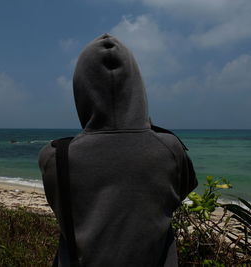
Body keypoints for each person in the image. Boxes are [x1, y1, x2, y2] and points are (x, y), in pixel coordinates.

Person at [38, 33, 198, 267]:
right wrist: (141, 123)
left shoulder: (55, 156)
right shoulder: (170, 148)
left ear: (80, 90)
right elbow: (178, 191)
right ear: (138, 87)